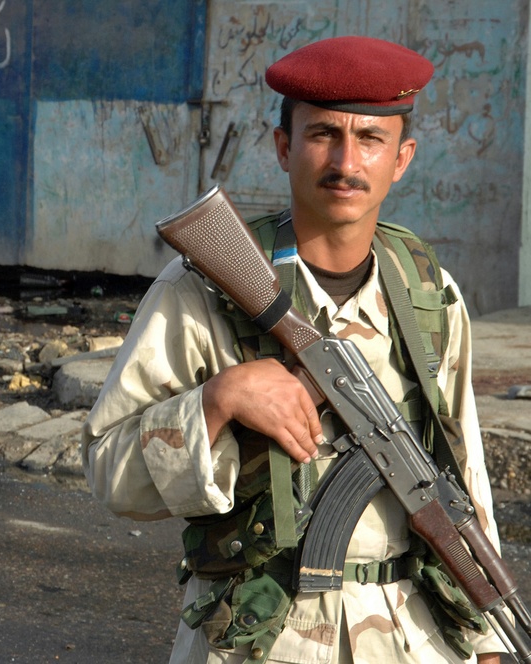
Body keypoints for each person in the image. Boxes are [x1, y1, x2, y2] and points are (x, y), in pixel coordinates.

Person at [82, 36, 507, 663]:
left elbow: (462, 471)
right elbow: (108, 471)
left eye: (370, 139)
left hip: (412, 638)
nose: (346, 161)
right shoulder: (204, 288)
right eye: (322, 135)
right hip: (262, 637)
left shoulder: (427, 292)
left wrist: (487, 640)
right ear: (283, 147)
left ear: (402, 158)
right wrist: (220, 400)